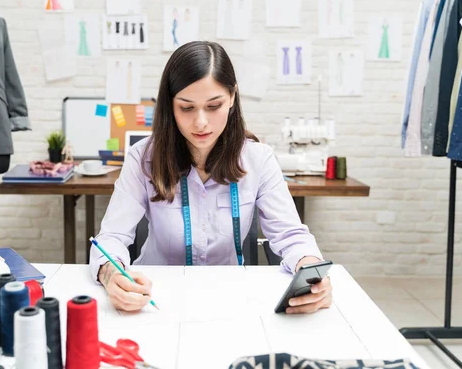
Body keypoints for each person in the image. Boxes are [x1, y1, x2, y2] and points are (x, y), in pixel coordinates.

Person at [90, 41, 332, 314]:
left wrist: (311, 269)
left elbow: (291, 236)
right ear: (170, 105)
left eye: (213, 105)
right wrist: (112, 275)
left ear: (232, 98)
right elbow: (111, 237)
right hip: (155, 299)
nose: (201, 123)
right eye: (187, 108)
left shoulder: (258, 159)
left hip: (230, 300)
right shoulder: (142, 157)